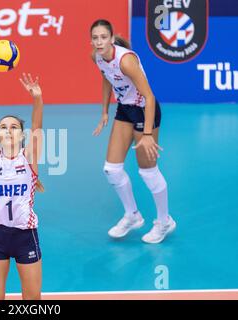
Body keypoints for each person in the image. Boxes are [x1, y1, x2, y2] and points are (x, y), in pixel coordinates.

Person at [90, 19, 176, 244]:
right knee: (112, 169)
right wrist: (105, 112)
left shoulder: (126, 61)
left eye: (103, 37)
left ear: (111, 38)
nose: (99, 42)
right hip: (125, 110)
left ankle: (165, 221)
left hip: (145, 110)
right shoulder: (98, 57)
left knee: (148, 171)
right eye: (95, 38)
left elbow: (149, 97)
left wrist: (147, 134)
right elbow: (106, 79)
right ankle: (132, 215)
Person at [0, 70, 44, 299]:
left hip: (26, 235)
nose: (8, 130)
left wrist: (37, 99)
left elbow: (37, 128)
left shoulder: (29, 158)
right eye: (3, 126)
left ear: (22, 135)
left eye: (13, 127)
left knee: (32, 301)